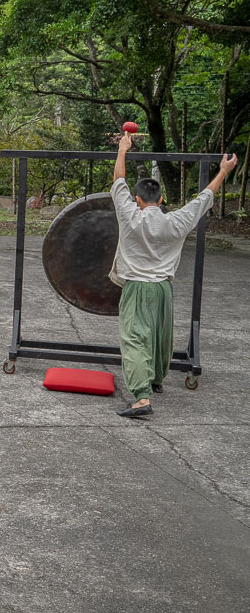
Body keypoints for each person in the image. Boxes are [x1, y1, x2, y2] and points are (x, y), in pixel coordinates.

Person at [110, 133, 237, 418]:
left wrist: (122, 150)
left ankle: (142, 398)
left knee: (134, 340)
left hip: (138, 287)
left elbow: (119, 182)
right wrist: (223, 171)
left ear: (138, 199)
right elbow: (205, 198)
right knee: (159, 335)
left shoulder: (129, 215)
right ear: (162, 199)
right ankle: (155, 380)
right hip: (164, 289)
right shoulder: (176, 221)